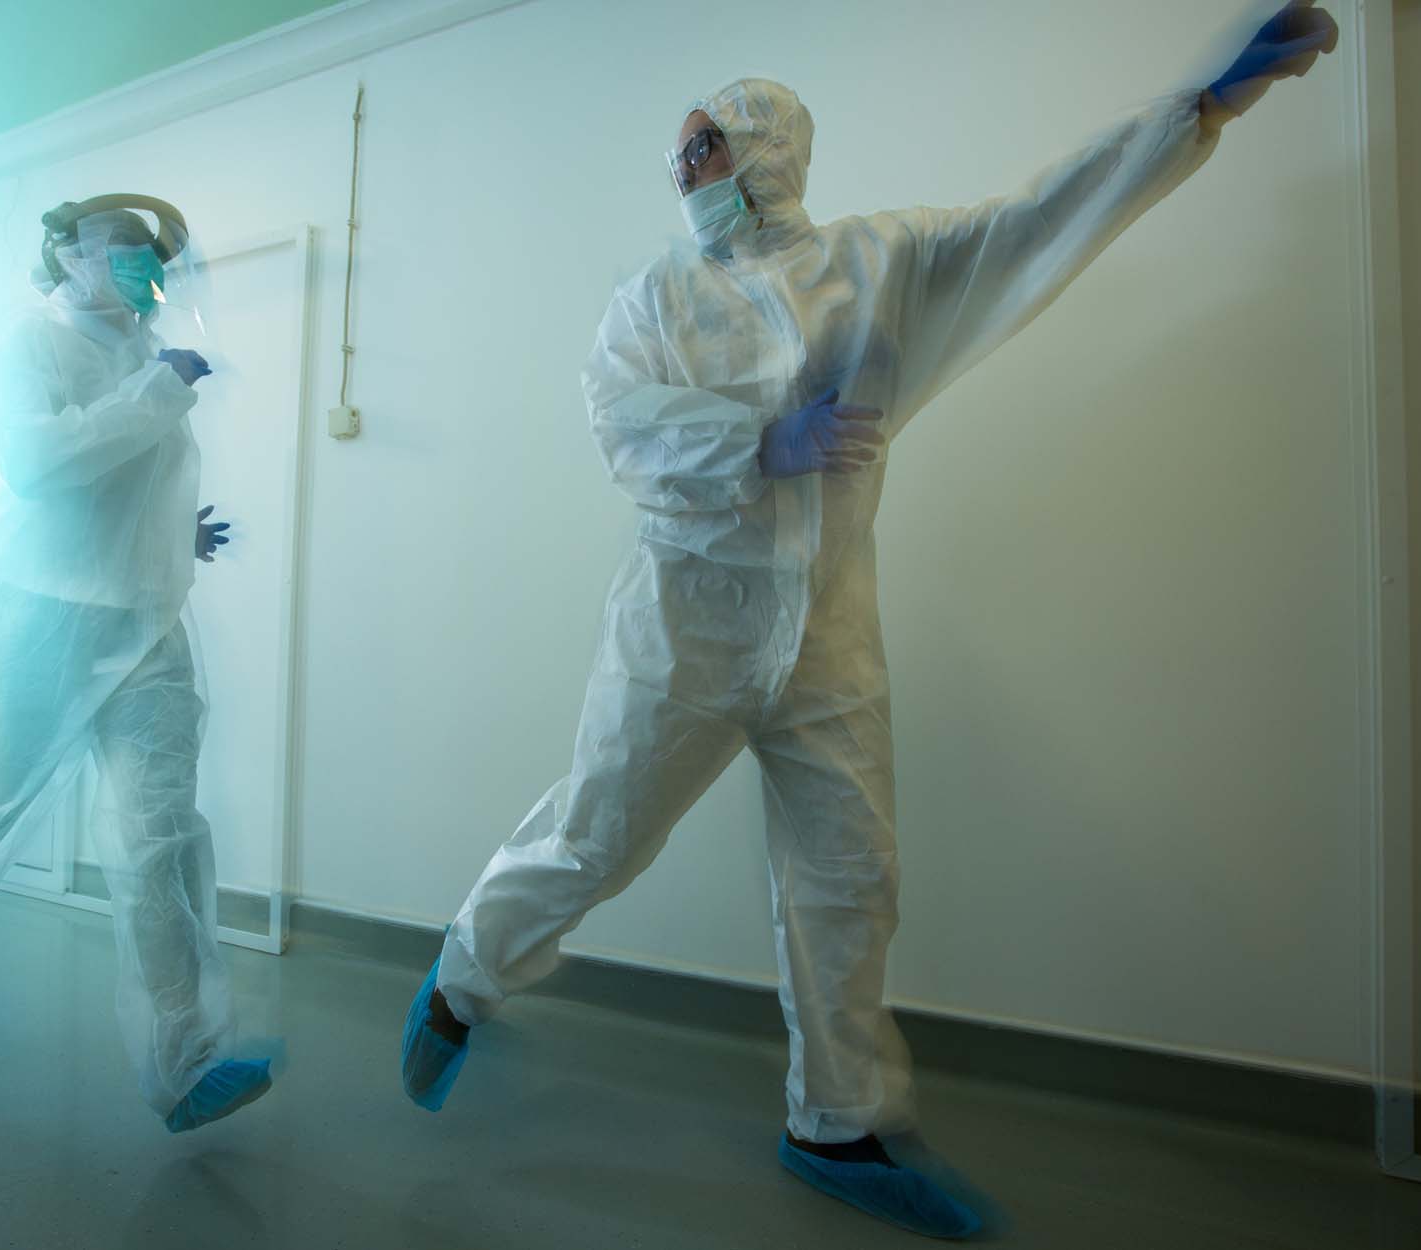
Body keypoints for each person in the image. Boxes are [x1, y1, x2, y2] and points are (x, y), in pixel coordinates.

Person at [403, 3, 1337, 1238]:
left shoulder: (877, 262)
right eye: (678, 157)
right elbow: (617, 421)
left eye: (701, 149)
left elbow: (1030, 223)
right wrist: (757, 439)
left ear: (763, 150)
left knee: (849, 875)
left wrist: (1197, 111)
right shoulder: (656, 296)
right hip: (683, 631)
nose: (683, 173)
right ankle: (464, 973)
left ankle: (834, 1117)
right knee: (595, 835)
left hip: (828, 628)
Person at [0, 196, 270, 1134]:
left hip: (145, 623)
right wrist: (159, 392)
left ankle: (188, 1059)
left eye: (155, 253)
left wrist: (178, 529)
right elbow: (37, 464)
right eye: (124, 246)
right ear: (72, 253)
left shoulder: (144, 354)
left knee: (159, 835)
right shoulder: (23, 343)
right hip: (35, 625)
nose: (143, 263)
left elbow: (126, 482)